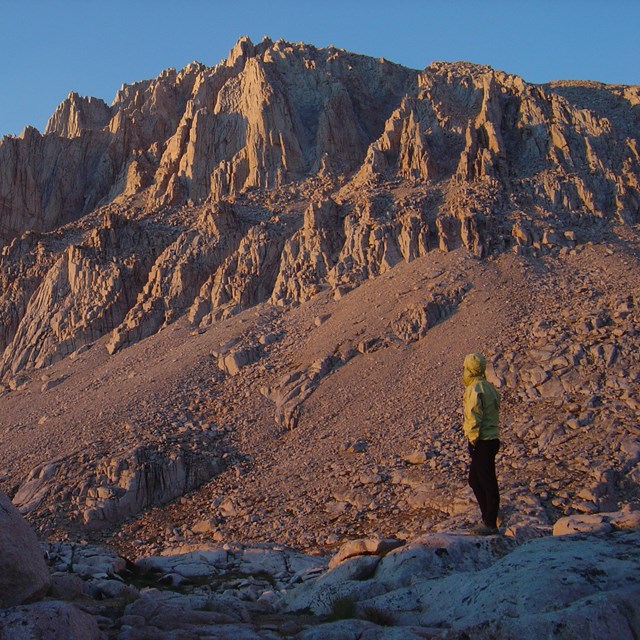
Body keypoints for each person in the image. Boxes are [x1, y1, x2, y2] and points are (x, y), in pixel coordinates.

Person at [462, 353, 501, 535]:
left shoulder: (474, 389)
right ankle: (487, 518)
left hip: (482, 440)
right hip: (492, 438)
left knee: (486, 481)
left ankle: (490, 523)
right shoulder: (489, 387)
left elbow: (473, 416)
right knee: (475, 480)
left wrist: (472, 439)